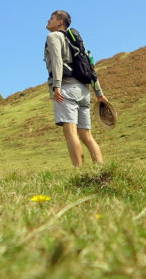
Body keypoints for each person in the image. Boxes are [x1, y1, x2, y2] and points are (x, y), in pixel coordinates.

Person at [45, 10, 110, 167]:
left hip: (67, 88)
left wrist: (57, 85)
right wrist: (99, 93)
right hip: (84, 91)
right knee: (86, 134)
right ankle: (100, 170)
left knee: (70, 132)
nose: (47, 21)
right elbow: (90, 66)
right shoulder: (78, 42)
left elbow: (57, 61)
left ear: (60, 22)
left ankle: (78, 172)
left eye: (51, 18)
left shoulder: (53, 37)